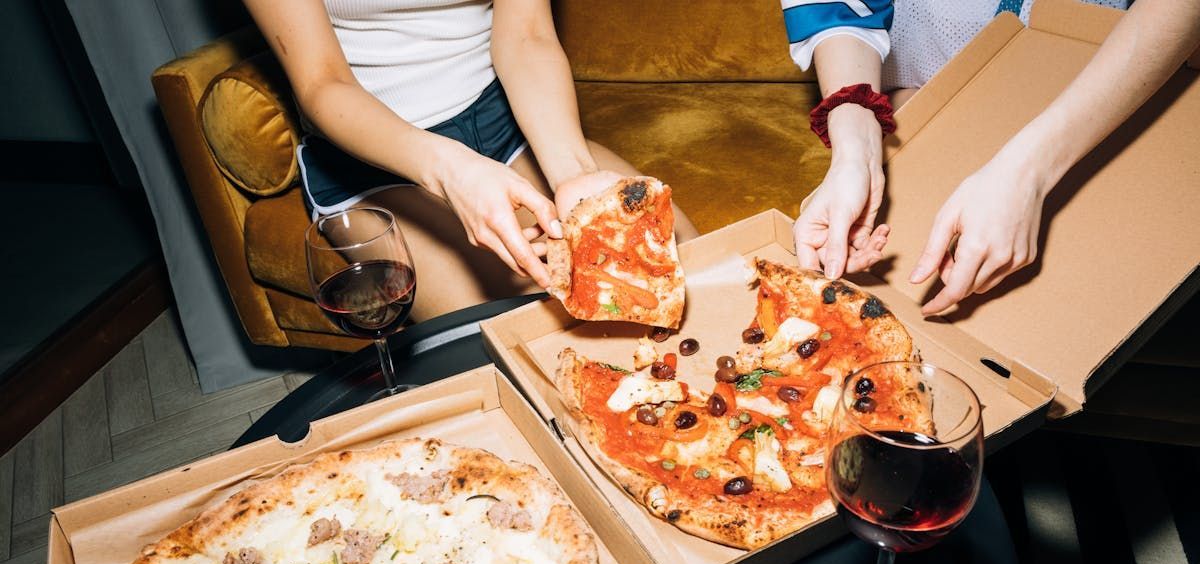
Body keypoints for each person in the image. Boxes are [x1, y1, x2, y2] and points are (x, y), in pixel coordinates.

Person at [244, 0, 698, 320]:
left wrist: (572, 172)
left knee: (690, 259)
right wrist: (452, 170)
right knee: (504, 331)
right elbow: (322, 83)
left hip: (506, 119)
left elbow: (527, 35)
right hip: (371, 158)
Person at [782, 0, 1200, 314]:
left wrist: (1029, 171)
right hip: (922, 99)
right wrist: (857, 145)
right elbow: (836, 7)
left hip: (1108, 92)